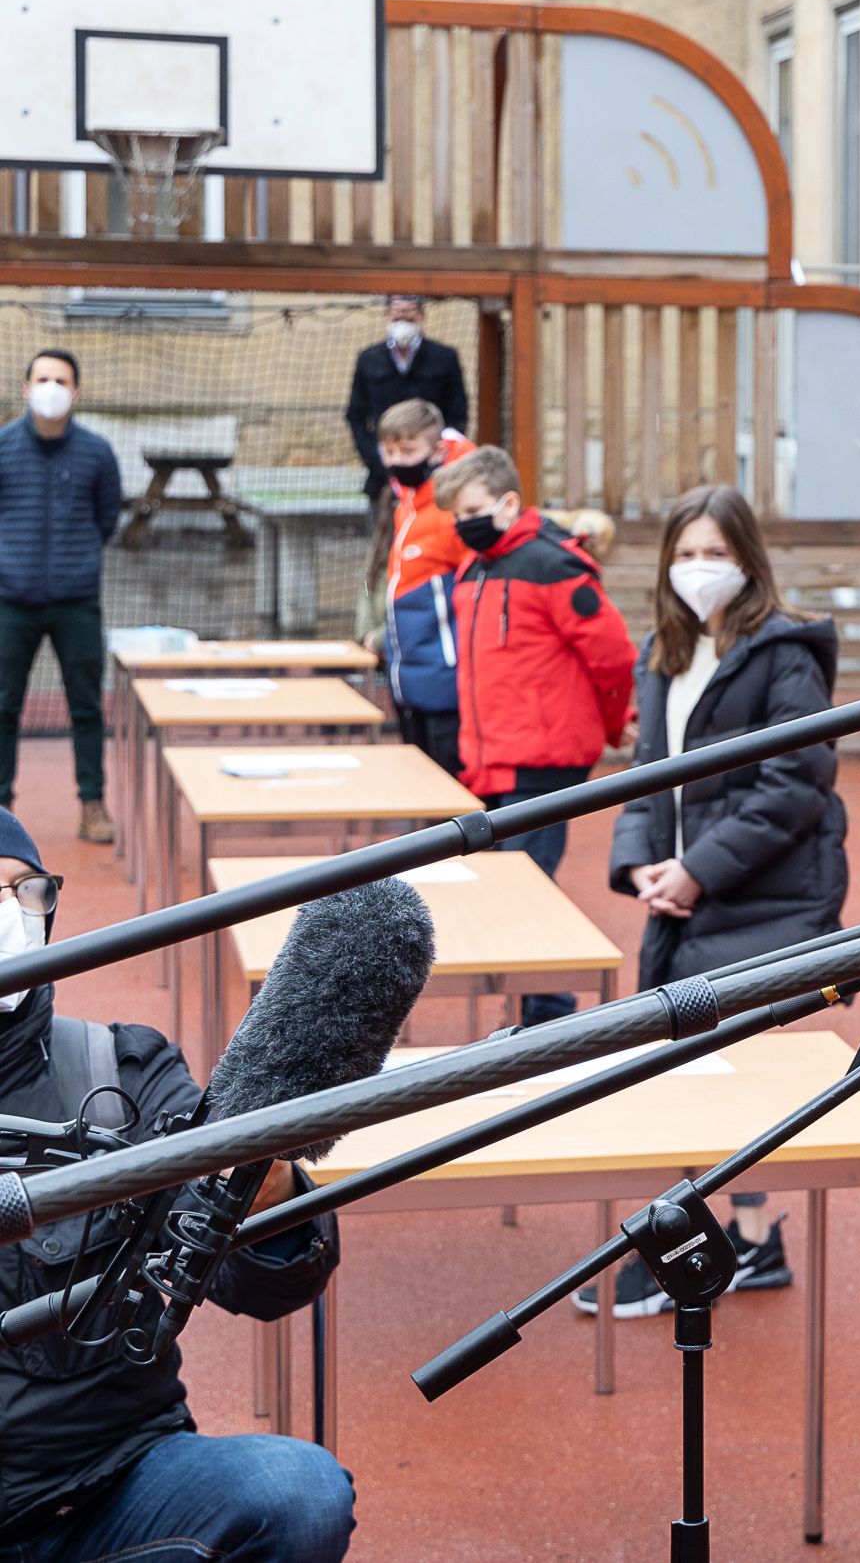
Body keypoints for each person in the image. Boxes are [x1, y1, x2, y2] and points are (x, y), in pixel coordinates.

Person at [0, 807, 354, 1560]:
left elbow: (263, 1289)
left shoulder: (120, 1071)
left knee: (296, 1492)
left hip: (107, 1482)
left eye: (23, 893)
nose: (9, 918)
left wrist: (264, 1180)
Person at [587, 485, 844, 1315]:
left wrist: (696, 867)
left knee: (720, 1069)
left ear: (748, 561)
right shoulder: (665, 651)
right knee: (686, 1064)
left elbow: (794, 784)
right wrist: (639, 865)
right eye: (686, 553)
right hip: (689, 895)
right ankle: (742, 1239)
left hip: (762, 895)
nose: (701, 569)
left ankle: (715, 1243)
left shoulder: (784, 654)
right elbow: (645, 776)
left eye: (717, 553)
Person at [432, 446, 635, 1023]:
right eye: (453, 514)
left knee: (527, 892)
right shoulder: (476, 567)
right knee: (506, 890)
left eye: (470, 509)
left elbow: (614, 655)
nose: (461, 523)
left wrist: (616, 724)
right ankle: (534, 1007)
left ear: (507, 503)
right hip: (492, 754)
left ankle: (548, 1014)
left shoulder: (553, 565)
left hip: (542, 758)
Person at [0, 351, 123, 847]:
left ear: (75, 392)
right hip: (11, 601)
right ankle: (1, 810)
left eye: (61, 380)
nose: (51, 387)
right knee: (3, 706)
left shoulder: (96, 452)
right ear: (27, 388)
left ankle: (92, 804)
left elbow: (107, 518)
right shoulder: (3, 446)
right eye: (42, 378)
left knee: (87, 706)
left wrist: (75, 560)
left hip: (76, 601)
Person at [365, 400, 471, 779]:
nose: (397, 461)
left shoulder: (454, 512)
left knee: (455, 802)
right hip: (405, 679)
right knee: (421, 789)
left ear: (437, 451)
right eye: (389, 451)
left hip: (447, 686)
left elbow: (470, 596)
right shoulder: (403, 508)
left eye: (408, 451)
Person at [343, 295, 467, 504]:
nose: (402, 318)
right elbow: (356, 414)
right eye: (397, 312)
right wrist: (376, 458)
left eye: (409, 313)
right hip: (381, 477)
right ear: (387, 314)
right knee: (383, 532)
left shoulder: (444, 357)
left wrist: (435, 458)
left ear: (420, 315)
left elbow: (457, 415)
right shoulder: (369, 358)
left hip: (433, 476)